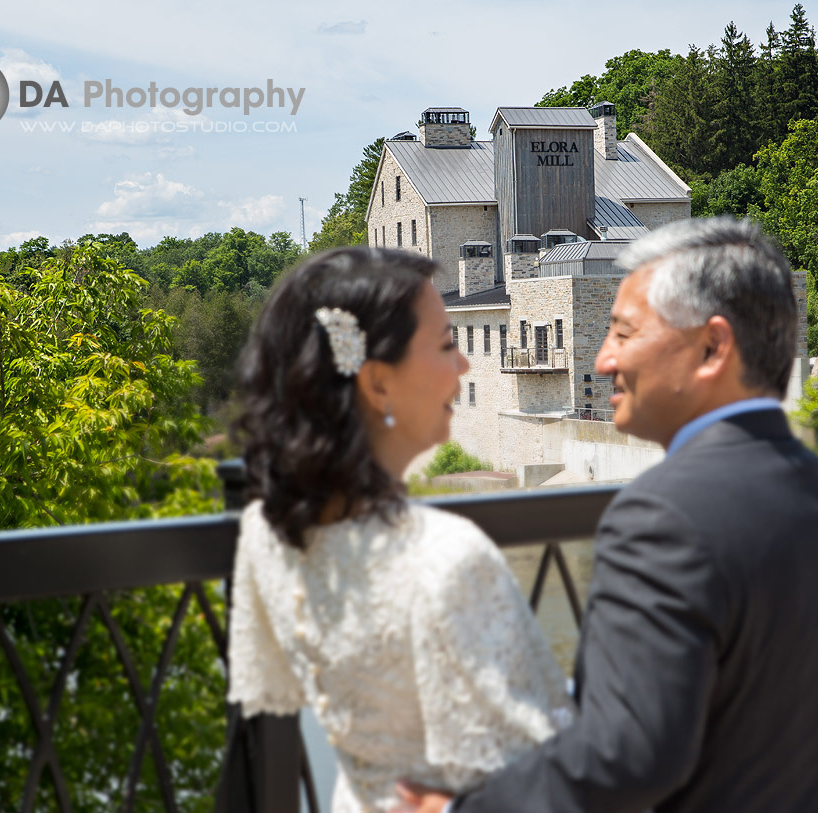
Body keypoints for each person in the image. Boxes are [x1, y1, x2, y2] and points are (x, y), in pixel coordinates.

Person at [398, 217, 818, 813]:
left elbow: (625, 757)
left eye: (622, 333)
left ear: (712, 347)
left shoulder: (664, 515)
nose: (601, 361)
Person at [228, 246, 572, 813]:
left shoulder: (268, 536)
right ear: (378, 384)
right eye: (445, 345)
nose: (463, 366)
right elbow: (541, 783)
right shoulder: (446, 557)